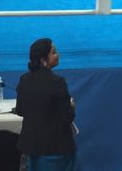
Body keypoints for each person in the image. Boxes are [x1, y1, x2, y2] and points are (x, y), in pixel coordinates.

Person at [15, 38, 77, 171]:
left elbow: (20, 110)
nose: (58, 54)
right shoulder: (57, 82)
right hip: (54, 149)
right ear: (43, 59)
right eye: (54, 52)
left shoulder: (24, 79)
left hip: (29, 148)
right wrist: (71, 106)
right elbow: (67, 117)